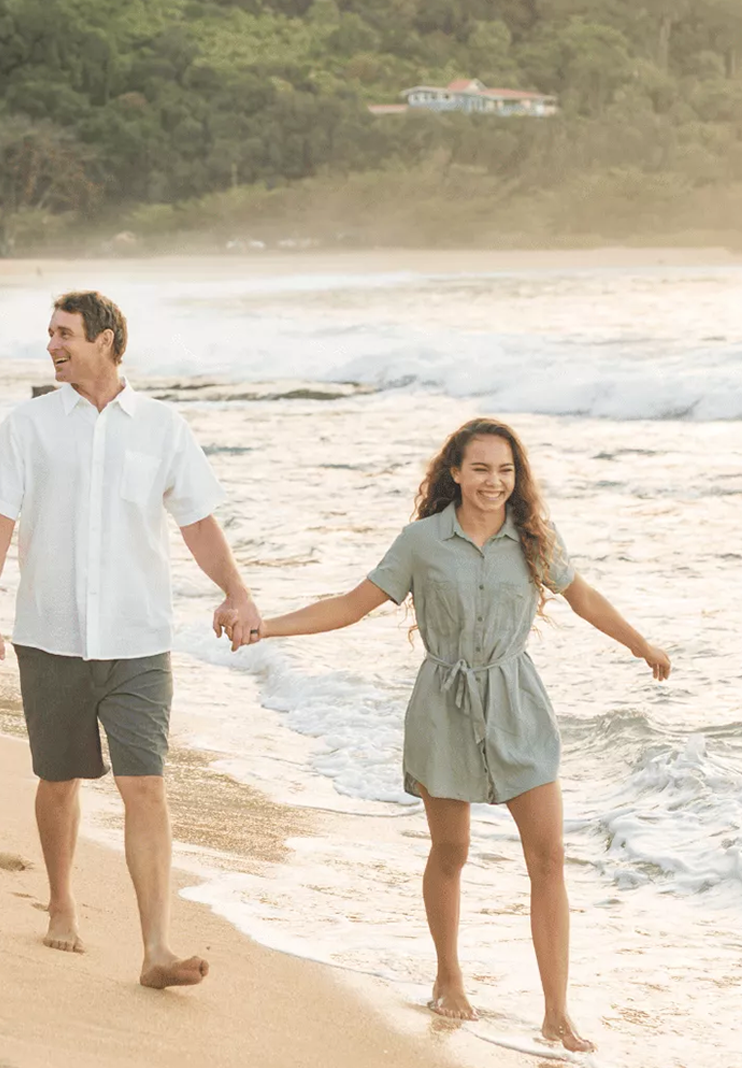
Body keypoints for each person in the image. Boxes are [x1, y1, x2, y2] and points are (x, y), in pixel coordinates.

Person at [256, 417, 671, 1052]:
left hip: (518, 705)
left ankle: (556, 1012)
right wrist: (267, 628)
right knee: (450, 853)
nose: (493, 482)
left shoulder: (533, 537)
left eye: (505, 470)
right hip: (442, 708)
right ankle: (448, 976)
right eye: (480, 468)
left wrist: (641, 644)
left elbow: (583, 598)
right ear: (454, 472)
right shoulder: (421, 541)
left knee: (550, 859)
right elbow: (350, 605)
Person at [0, 290, 262, 989]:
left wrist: (236, 591)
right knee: (58, 778)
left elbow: (196, 522)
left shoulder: (161, 427)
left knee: (144, 784)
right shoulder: (28, 424)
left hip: (137, 639)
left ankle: (155, 948)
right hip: (51, 634)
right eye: (48, 334)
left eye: (63, 334)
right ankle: (61, 899)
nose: (51, 345)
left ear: (104, 340)